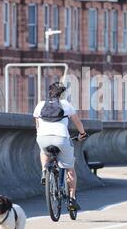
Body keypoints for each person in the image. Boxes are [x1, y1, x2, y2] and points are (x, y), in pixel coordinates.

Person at [33, 82, 87, 210]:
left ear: (49, 92)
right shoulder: (65, 105)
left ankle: (44, 171)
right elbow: (77, 122)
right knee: (70, 169)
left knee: (44, 152)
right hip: (61, 139)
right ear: (61, 94)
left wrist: (41, 136)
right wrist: (82, 134)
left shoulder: (40, 105)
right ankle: (72, 200)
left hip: (42, 138)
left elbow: (37, 125)